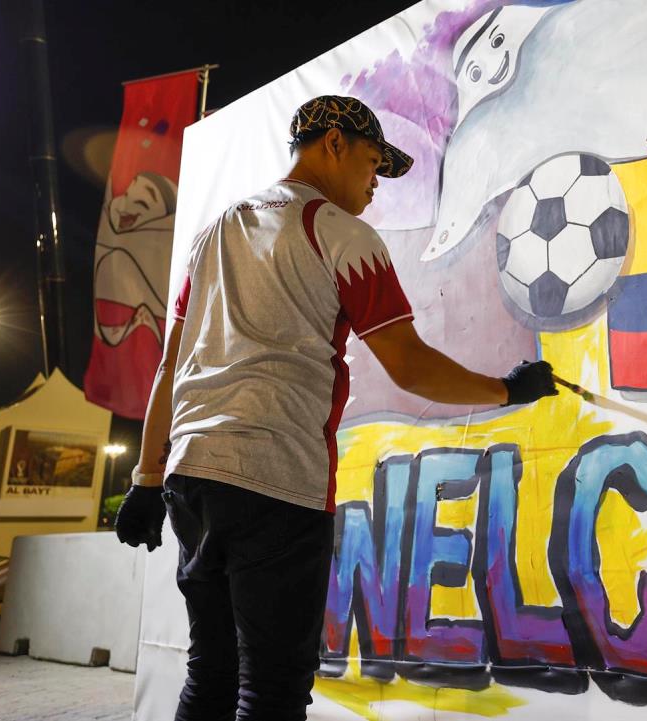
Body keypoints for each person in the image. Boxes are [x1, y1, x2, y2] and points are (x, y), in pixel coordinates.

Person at [114, 95, 557, 721]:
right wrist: (507, 390)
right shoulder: (343, 236)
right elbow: (410, 365)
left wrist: (145, 479)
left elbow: (169, 367)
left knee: (209, 674)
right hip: (277, 484)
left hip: (192, 481)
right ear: (334, 143)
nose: (374, 185)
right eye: (373, 164)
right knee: (270, 689)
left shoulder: (212, 235)